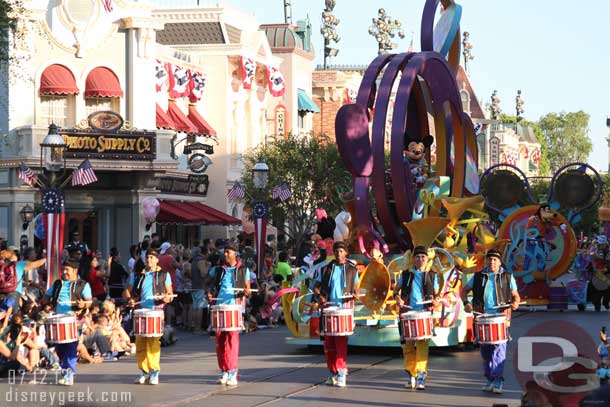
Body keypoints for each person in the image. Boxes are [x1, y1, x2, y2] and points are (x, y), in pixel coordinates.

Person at [461, 248, 521, 394]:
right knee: (486, 353)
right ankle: (489, 379)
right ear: (486, 261)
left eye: (495, 259)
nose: (492, 262)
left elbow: (516, 296)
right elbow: (464, 291)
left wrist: (516, 303)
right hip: (481, 318)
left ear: (500, 262)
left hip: (501, 318)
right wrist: (466, 303)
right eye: (490, 259)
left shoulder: (507, 276)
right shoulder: (478, 276)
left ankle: (498, 379)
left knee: (499, 351)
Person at [392, 245, 439, 390]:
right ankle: (411, 374)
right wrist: (397, 299)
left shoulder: (432, 275)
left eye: (423, 257)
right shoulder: (406, 274)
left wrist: (436, 300)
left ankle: (420, 375)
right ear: (413, 259)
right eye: (417, 257)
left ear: (427, 259)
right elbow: (395, 291)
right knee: (408, 346)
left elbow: (436, 294)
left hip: (424, 314)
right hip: (407, 314)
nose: (420, 259)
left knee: (422, 346)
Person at [124, 249, 173, 385]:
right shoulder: (138, 275)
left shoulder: (164, 275)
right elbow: (127, 291)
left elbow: (170, 294)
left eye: (152, 257)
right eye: (148, 257)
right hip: (140, 311)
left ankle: (154, 371)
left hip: (156, 312)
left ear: (157, 260)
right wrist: (130, 300)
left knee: (153, 342)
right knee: (140, 342)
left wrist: (167, 298)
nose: (149, 260)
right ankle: (144, 371)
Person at [313, 241, 359, 388]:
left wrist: (355, 295)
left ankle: (341, 372)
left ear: (346, 253)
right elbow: (316, 287)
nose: (339, 254)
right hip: (328, 309)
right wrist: (320, 296)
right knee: (328, 345)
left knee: (340, 343)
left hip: (343, 310)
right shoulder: (326, 269)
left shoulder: (352, 270)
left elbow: (356, 289)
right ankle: (332, 372)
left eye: (341, 251)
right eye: (337, 251)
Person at [42, 259, 92, 385]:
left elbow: (90, 301)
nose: (64, 272)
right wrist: (46, 303)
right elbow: (47, 296)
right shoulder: (58, 283)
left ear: (75, 271)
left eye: (67, 270)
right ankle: (65, 371)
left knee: (71, 346)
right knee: (60, 348)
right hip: (59, 320)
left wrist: (83, 304)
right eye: (63, 269)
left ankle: (69, 374)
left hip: (75, 320)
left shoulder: (83, 284)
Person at [207, 243, 251, 386]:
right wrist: (208, 293)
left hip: (234, 307)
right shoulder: (218, 270)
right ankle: (224, 370)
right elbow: (208, 283)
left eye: (228, 252)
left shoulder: (244, 270)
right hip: (219, 307)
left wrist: (246, 292)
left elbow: (248, 289)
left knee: (232, 340)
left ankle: (232, 371)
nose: (225, 255)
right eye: (224, 252)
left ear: (235, 254)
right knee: (220, 341)